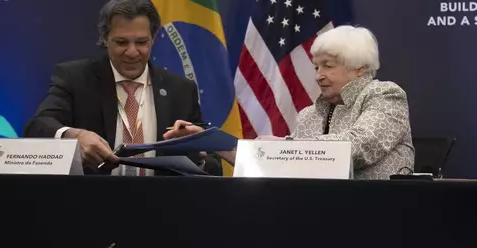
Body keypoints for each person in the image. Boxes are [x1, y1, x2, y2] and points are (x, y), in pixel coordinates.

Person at [165, 25, 414, 179]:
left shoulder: (385, 95)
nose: (318, 76)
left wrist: (289, 147)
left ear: (360, 69)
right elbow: (280, 165)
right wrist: (210, 139)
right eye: (316, 67)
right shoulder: (309, 114)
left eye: (328, 66)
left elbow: (359, 146)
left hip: (377, 216)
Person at [24, 0, 220, 176]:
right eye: (121, 42)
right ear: (105, 40)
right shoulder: (76, 78)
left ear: (152, 40)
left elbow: (213, 166)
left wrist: (198, 155)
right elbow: (37, 126)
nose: (132, 52)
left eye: (142, 42)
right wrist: (74, 136)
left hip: (161, 204)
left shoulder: (181, 91)